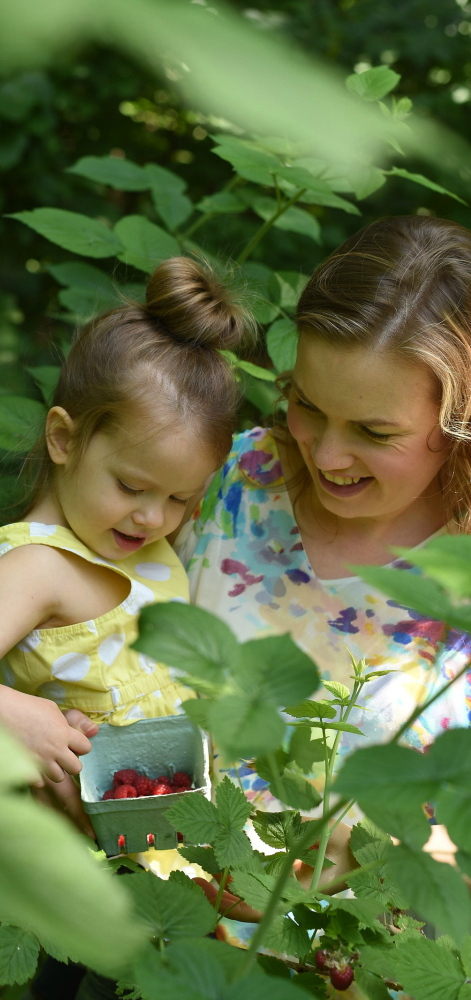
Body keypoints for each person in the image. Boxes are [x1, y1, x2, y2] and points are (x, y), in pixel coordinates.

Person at [177, 215, 471, 940]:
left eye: (374, 432)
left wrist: (407, 854)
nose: (326, 456)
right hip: (161, 948)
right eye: (307, 404)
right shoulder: (230, 478)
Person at [0, 256, 249, 810]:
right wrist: (13, 714)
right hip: (95, 829)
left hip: (174, 806)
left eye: (179, 499)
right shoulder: (33, 568)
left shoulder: (139, 542)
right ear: (64, 439)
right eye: (131, 487)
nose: (153, 518)